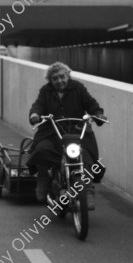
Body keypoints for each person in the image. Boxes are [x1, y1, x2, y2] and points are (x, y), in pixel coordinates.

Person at [27, 62, 107, 208]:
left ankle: (87, 189)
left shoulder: (78, 88)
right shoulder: (46, 91)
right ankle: (43, 177)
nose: (59, 81)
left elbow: (91, 103)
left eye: (62, 77)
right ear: (50, 81)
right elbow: (38, 105)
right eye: (55, 78)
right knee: (42, 149)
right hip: (52, 131)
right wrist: (35, 114)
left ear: (68, 76)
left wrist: (98, 114)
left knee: (87, 154)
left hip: (76, 131)